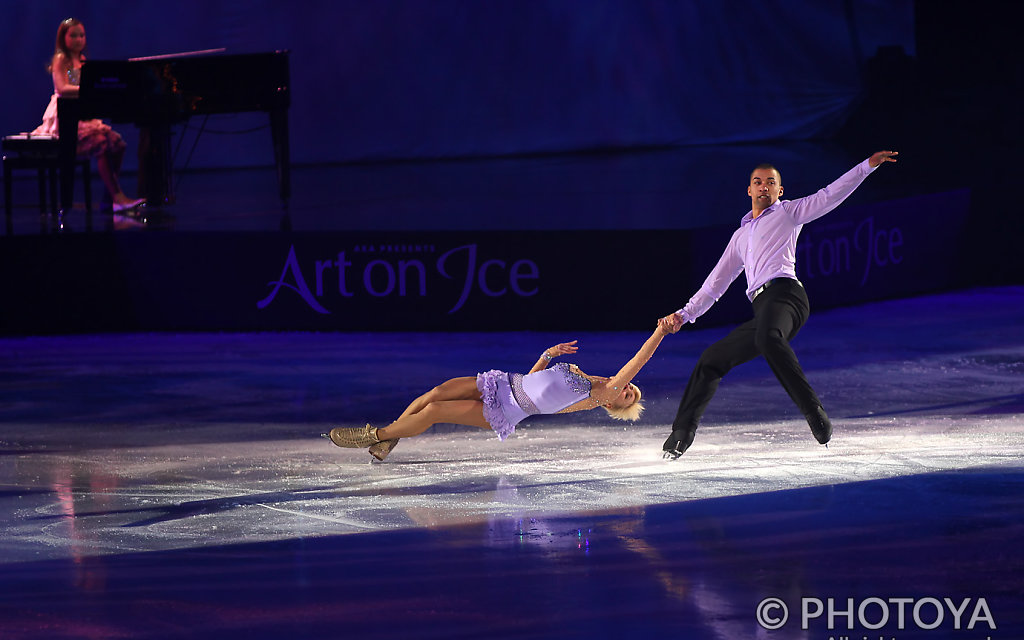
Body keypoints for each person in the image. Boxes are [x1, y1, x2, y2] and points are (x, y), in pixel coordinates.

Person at [660, 150, 899, 458]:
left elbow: (828, 196)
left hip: (787, 297)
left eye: (770, 183)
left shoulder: (788, 213)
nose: (763, 187)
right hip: (763, 310)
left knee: (768, 337)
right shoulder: (740, 237)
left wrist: (866, 167)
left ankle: (814, 413)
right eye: (757, 182)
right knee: (711, 359)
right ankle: (681, 433)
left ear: (779, 190)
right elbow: (714, 286)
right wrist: (683, 315)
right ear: (749, 190)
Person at [325, 321, 673, 460]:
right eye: (631, 390)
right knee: (434, 393)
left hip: (505, 410)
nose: (626, 389)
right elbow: (533, 378)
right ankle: (390, 440)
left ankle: (373, 435)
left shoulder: (598, 396)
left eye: (626, 396)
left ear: (613, 404)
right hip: (504, 382)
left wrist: (659, 332)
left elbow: (636, 362)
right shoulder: (583, 374)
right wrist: (547, 355)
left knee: (433, 413)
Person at [31, 17, 144, 213]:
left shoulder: (82, 60)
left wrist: (93, 91)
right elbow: (62, 88)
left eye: (81, 35)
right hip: (64, 113)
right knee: (101, 142)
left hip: (81, 111)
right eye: (73, 35)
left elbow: (83, 87)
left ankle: (110, 198)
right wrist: (88, 89)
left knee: (117, 144)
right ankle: (118, 197)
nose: (78, 39)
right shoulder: (61, 59)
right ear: (63, 38)